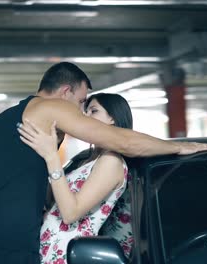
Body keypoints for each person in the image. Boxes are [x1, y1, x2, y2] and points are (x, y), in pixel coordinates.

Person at [0, 61, 207, 264]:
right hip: (15, 246)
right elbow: (126, 143)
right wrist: (177, 146)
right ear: (65, 93)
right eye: (82, 102)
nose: (81, 113)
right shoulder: (50, 108)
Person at [17, 93, 134, 263]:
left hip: (72, 253)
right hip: (48, 246)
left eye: (93, 111)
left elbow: (70, 213)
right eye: (85, 111)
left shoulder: (111, 161)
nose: (85, 116)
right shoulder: (85, 158)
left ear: (113, 119)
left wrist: (52, 157)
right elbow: (51, 202)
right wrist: (51, 151)